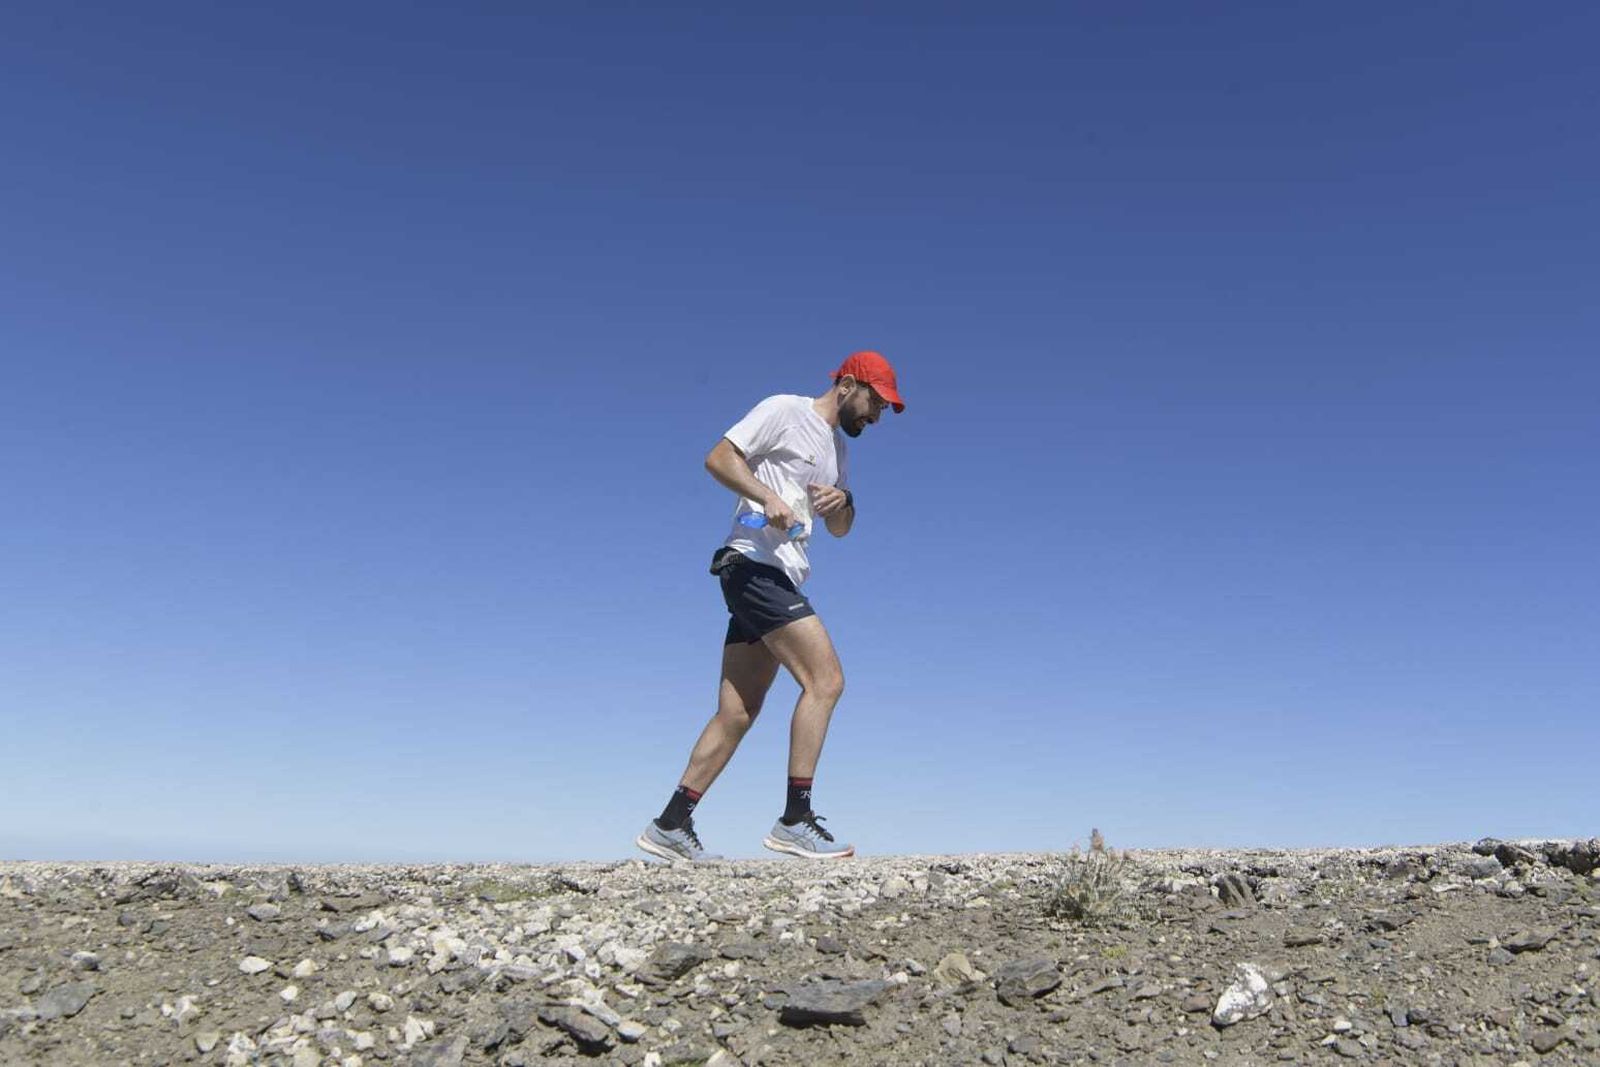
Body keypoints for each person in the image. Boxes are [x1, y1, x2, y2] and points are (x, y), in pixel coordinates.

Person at [636, 351, 906, 863]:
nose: (876, 416)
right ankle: (795, 819)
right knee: (825, 682)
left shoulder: (837, 451)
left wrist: (841, 505)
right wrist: (767, 497)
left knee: (737, 712)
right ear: (848, 384)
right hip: (755, 566)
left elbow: (842, 530)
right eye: (876, 402)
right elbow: (718, 458)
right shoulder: (785, 410)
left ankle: (670, 824)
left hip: (773, 574)